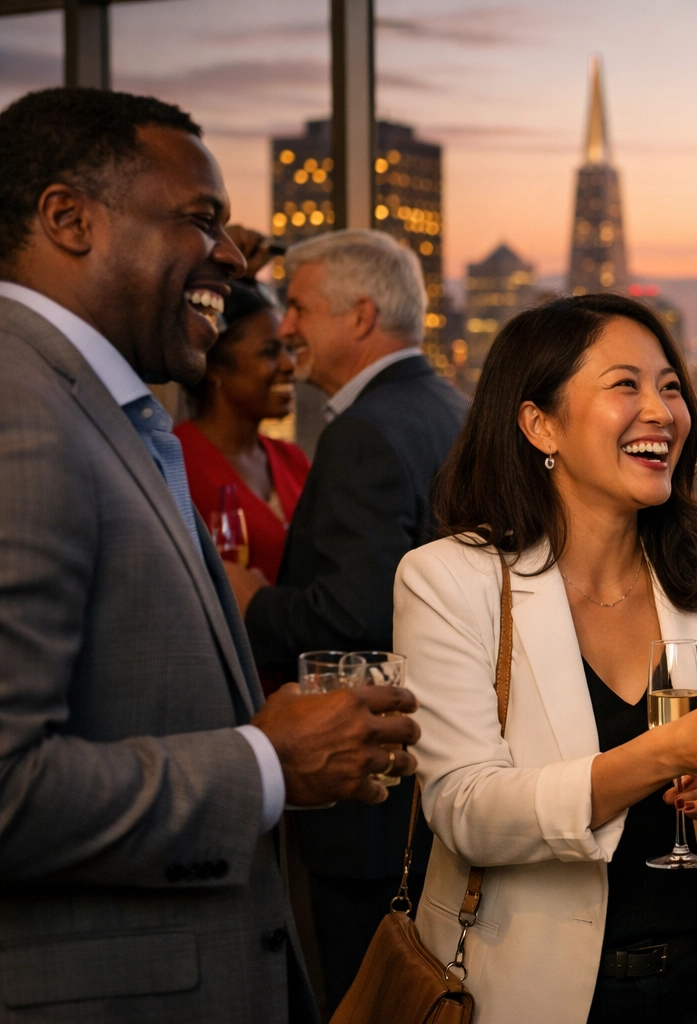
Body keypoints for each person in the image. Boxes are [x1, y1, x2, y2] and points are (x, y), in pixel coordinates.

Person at [0, 87, 418, 1022]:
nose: (232, 256)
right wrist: (263, 764)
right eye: (201, 220)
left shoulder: (90, 407)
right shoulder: (19, 411)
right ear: (68, 219)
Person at [394, 294, 697, 1024]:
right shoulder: (450, 579)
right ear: (540, 422)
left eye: (671, 386)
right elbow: (465, 810)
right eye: (626, 385)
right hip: (525, 995)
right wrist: (660, 752)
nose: (662, 411)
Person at [224, 228, 471, 1006]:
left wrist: (253, 603)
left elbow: (358, 609)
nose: (287, 326)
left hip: (372, 796)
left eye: (298, 307)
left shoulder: (363, 430)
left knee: (365, 999)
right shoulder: (453, 409)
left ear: (359, 316)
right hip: (441, 781)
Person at [175, 260, 309, 589]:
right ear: (215, 368)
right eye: (269, 352)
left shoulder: (292, 460)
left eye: (289, 350)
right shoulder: (175, 465)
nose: (289, 365)